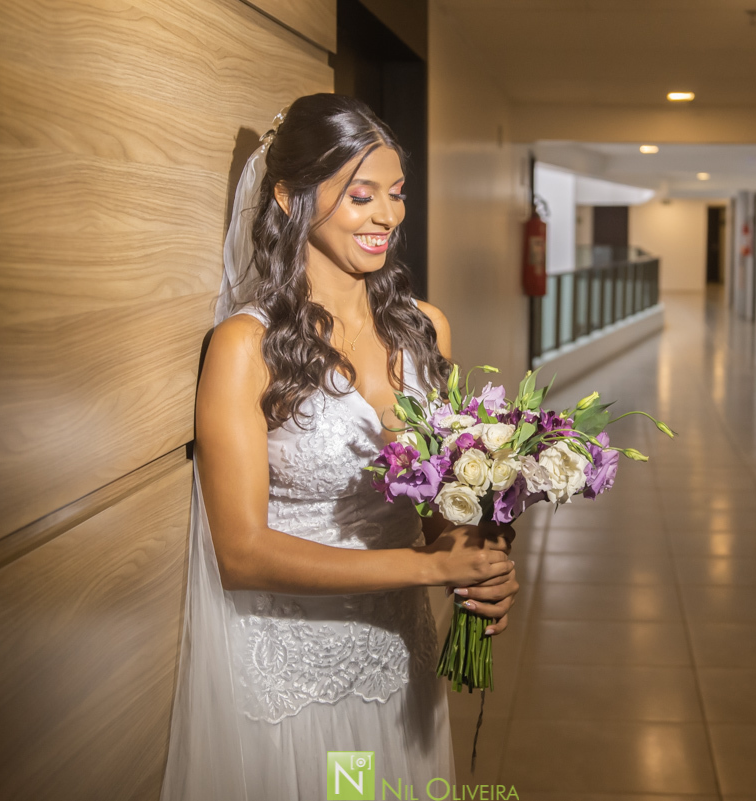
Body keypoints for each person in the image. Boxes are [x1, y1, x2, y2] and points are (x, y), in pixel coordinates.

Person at [160, 94, 522, 800]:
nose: (388, 215)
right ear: (293, 198)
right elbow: (240, 553)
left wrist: (477, 561)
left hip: (401, 659)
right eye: (361, 196)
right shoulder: (246, 347)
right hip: (293, 682)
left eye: (396, 194)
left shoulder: (426, 331)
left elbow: (440, 509)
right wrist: (424, 570)